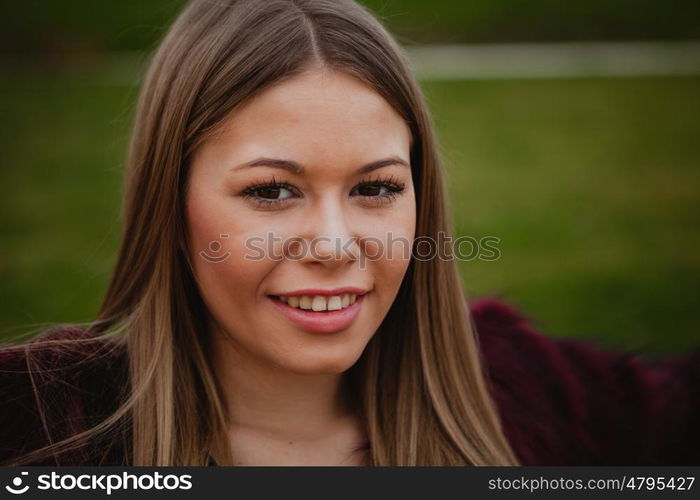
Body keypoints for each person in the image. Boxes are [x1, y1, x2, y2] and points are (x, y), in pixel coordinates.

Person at [0, 0, 698, 467]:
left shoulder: (524, 388)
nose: (335, 246)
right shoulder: (41, 424)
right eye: (271, 191)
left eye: (376, 188)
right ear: (169, 207)